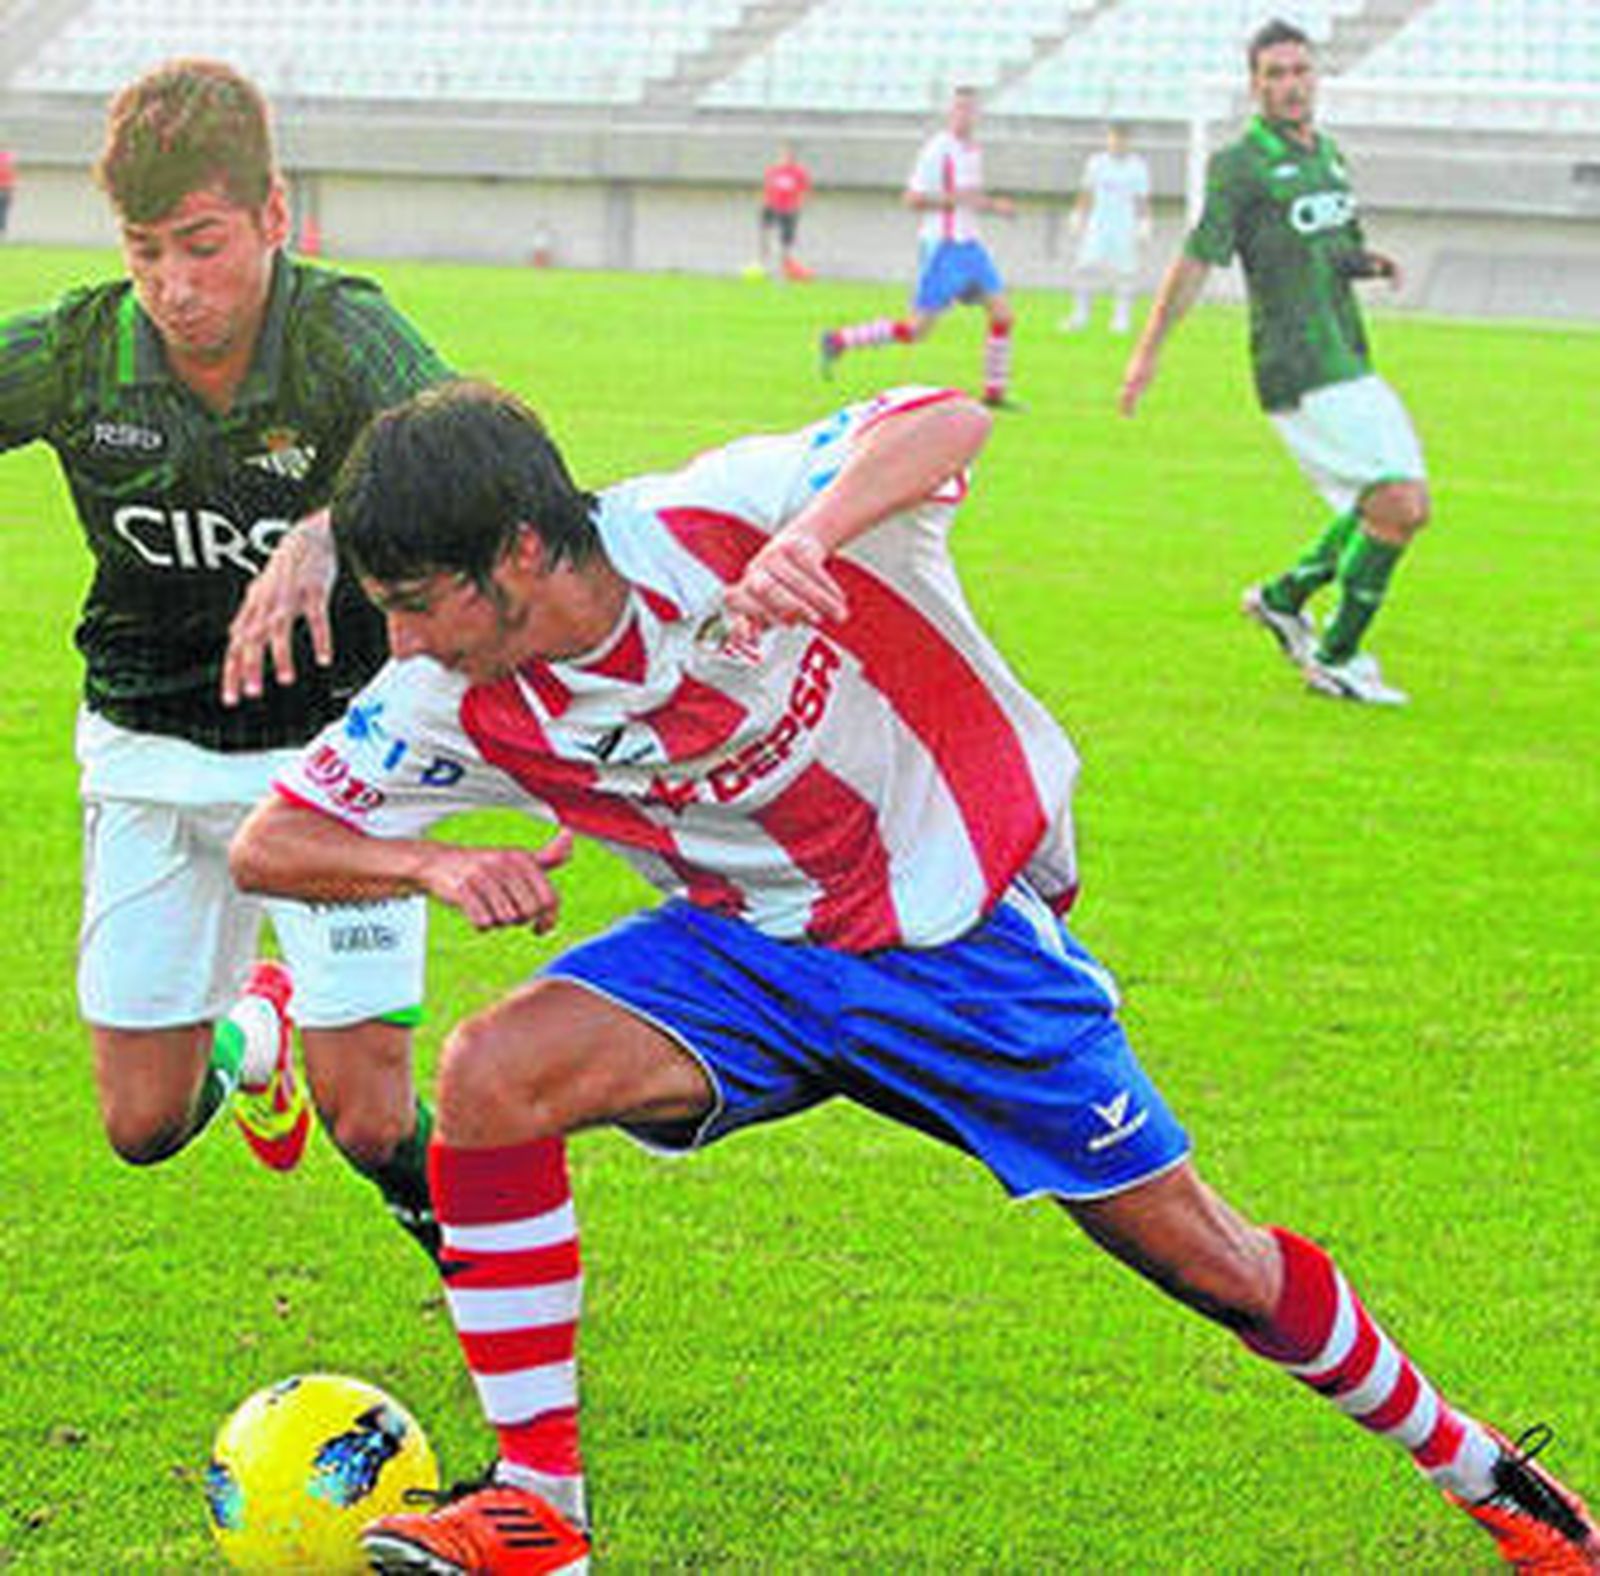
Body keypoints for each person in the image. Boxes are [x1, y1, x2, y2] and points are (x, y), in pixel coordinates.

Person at [230, 377, 1597, 1575]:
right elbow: (270, 844)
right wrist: (436, 869)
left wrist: (808, 541)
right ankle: (541, 1509)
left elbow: (950, 418)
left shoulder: (711, 522)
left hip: (959, 954)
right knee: (487, 1077)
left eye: (416, 606)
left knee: (1215, 1267)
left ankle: (1489, 1476)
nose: (401, 641)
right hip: (747, 956)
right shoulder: (445, 696)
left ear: (521, 551)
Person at [0, 59, 452, 1257]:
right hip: (148, 750)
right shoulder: (82, 354)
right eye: (146, 250)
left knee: (370, 1118)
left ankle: (515, 1349)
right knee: (141, 1124)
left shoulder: (341, 333)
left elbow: (477, 455)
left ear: (271, 214)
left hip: (334, 759)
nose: (173, 286)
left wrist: (330, 528)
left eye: (201, 244)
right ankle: (258, 1038)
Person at [1121, 18, 1426, 706]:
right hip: (1297, 364)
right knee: (1400, 505)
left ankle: (1285, 599)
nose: (1291, 85)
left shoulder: (1329, 155)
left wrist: (1367, 262)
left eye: (1299, 71)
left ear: (1315, 76)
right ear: (1255, 87)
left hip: (1349, 353)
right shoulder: (1240, 166)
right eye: (1275, 75)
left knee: (1392, 499)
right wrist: (1148, 352)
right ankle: (1337, 660)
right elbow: (1198, 258)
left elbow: (1335, 245)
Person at [819, 86, 1019, 409]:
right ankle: (840, 339)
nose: (964, 116)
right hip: (942, 247)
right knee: (916, 330)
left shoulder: (973, 151)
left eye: (969, 110)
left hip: (970, 246)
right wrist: (955, 200)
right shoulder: (937, 150)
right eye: (959, 109)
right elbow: (912, 198)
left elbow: (970, 197)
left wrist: (995, 206)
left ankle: (994, 393)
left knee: (1003, 314)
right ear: (950, 113)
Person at [1062, 124, 1151, 334]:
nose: (1117, 143)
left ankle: (1121, 319)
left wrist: (1144, 224)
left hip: (1124, 225)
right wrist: (1077, 216)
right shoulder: (1096, 163)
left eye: (1122, 139)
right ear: (1108, 139)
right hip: (1098, 224)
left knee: (1125, 272)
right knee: (1085, 268)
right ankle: (1080, 315)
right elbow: (1086, 192)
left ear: (1128, 141)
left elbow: (1142, 199)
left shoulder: (1138, 166)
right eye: (1114, 138)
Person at [758, 142, 812, 281]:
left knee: (786, 240)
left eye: (789, 155)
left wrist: (797, 206)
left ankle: (785, 266)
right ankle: (763, 262)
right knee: (766, 233)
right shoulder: (773, 170)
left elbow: (803, 191)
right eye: (784, 155)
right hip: (771, 206)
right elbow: (768, 188)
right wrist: (766, 202)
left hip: (788, 209)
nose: (786, 158)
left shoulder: (799, 172)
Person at [0, 147, 16, 239]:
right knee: (3, 212)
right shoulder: (9, 171)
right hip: (6, 193)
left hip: (4, 192)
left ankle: (2, 230)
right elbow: (11, 184)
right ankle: (2, 230)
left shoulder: (8, 171)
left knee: (3, 212)